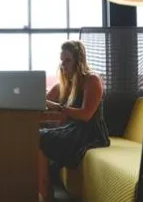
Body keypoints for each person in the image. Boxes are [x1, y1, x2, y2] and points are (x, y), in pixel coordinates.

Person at [40, 40, 110, 191]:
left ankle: (45, 191)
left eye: (68, 60)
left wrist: (59, 108)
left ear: (79, 61)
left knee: (40, 137)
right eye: (62, 61)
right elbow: (44, 102)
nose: (63, 65)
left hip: (90, 133)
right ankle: (41, 185)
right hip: (73, 129)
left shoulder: (92, 80)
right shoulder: (65, 84)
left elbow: (86, 115)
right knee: (36, 133)